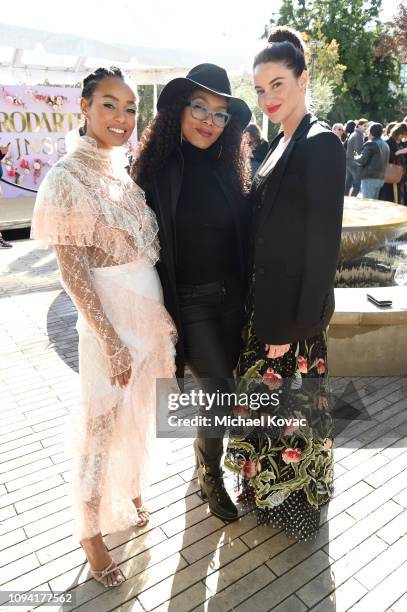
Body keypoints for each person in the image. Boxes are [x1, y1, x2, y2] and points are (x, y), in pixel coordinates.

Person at [31, 67, 176, 587]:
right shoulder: (66, 177)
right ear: (85, 109)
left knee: (136, 417)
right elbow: (72, 271)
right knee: (99, 427)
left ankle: (130, 489)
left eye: (131, 108)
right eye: (110, 105)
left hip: (146, 321)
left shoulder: (122, 169)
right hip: (109, 328)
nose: (122, 118)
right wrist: (110, 341)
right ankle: (89, 532)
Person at [225, 26, 345, 541]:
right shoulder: (281, 141)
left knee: (289, 416)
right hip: (266, 310)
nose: (268, 97)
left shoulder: (320, 143)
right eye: (259, 88)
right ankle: (263, 494)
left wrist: (293, 326)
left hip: (289, 321)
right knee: (267, 412)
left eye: (277, 84)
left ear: (302, 78)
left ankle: (293, 507)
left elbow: (322, 247)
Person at [133, 63, 251, 521]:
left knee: (224, 390)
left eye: (220, 114)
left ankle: (205, 458)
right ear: (180, 110)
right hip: (192, 304)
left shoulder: (232, 168)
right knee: (219, 390)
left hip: (234, 301)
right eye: (200, 107)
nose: (208, 120)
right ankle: (210, 478)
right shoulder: (155, 171)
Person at [355, 122, 390, 200]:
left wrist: (355, 157)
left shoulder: (371, 143)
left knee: (368, 204)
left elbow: (362, 160)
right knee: (374, 204)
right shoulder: (386, 144)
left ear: (370, 132)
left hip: (370, 177)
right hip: (381, 178)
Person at [379, 122, 407, 203]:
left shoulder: (402, 143)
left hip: (401, 176)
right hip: (391, 175)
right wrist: (399, 152)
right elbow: (386, 158)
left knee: (401, 197)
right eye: (402, 135)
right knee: (390, 197)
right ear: (397, 133)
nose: (402, 137)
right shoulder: (388, 142)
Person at [345, 118, 368, 196]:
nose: (366, 128)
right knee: (357, 185)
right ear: (359, 126)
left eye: (367, 126)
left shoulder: (354, 133)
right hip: (355, 163)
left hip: (349, 161)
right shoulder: (358, 135)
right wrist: (359, 162)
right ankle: (352, 199)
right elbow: (357, 150)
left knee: (348, 184)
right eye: (364, 126)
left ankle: (344, 199)